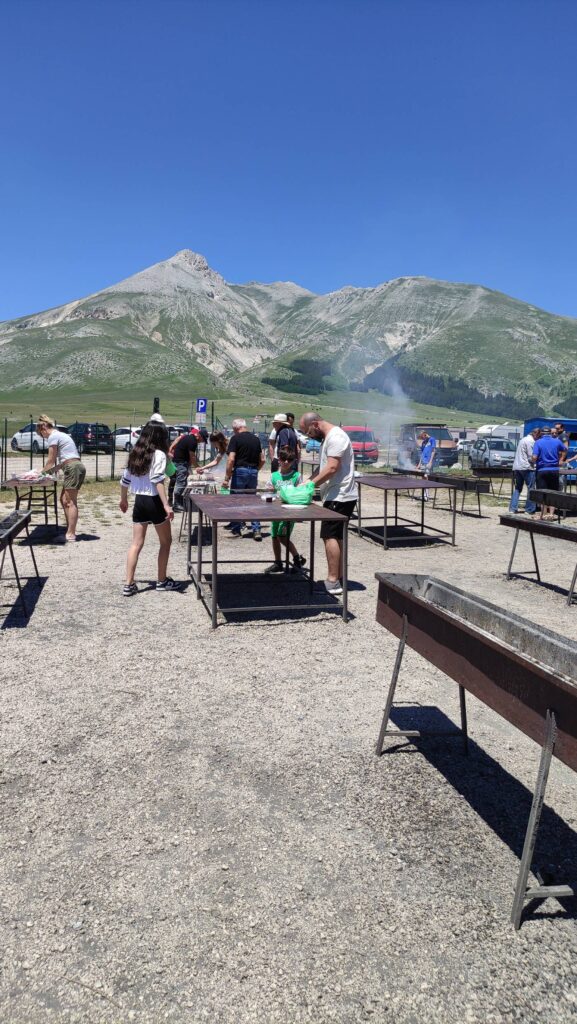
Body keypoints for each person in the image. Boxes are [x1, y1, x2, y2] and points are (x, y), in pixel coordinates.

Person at [299, 411, 358, 595]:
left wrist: (311, 484)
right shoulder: (328, 438)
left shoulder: (336, 437)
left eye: (308, 432)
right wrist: (307, 480)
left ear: (315, 424)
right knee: (336, 536)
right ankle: (338, 578)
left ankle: (333, 581)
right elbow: (324, 466)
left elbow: (332, 468)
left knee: (329, 535)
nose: (310, 437)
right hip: (335, 494)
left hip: (340, 494)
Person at [119, 422, 176, 595]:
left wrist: (123, 500)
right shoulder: (158, 454)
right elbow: (157, 480)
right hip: (154, 501)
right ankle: (162, 580)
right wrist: (166, 505)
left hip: (139, 501)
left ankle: (128, 584)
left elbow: (124, 480)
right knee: (166, 542)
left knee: (136, 543)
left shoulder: (135, 453)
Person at [36, 414, 87, 542]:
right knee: (64, 500)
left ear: (43, 428)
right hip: (72, 466)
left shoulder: (53, 436)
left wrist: (40, 474)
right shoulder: (61, 435)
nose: (44, 438)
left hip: (72, 468)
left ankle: (70, 534)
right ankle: (69, 530)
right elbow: (60, 463)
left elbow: (50, 460)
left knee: (71, 502)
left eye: (42, 435)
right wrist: (49, 471)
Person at [264, 446, 307, 574]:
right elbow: (268, 490)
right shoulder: (274, 476)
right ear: (279, 460)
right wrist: (269, 491)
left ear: (293, 461)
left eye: (289, 459)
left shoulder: (296, 476)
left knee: (282, 536)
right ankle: (278, 562)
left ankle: (297, 558)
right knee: (274, 536)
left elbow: (300, 492)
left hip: (289, 512)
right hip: (276, 511)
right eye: (283, 459)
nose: (286, 462)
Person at [223, 418, 265, 540]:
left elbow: (231, 459)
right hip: (253, 471)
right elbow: (262, 459)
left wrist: (227, 477)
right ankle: (256, 529)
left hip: (240, 471)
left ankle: (236, 530)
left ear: (236, 428)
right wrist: (255, 470)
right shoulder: (256, 439)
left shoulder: (235, 439)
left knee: (236, 500)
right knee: (252, 501)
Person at [531, 426, 567, 520]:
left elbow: (534, 457)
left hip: (542, 470)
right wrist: (561, 459)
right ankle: (551, 514)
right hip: (554, 470)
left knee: (542, 493)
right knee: (553, 492)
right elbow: (565, 449)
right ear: (550, 433)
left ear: (542, 434)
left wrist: (533, 460)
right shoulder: (557, 441)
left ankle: (543, 513)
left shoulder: (538, 442)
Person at [509, 427, 541, 515]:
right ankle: (529, 509)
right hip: (527, 467)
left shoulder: (523, 439)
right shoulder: (531, 442)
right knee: (531, 488)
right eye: (539, 436)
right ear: (536, 434)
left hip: (517, 466)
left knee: (518, 488)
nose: (539, 438)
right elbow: (531, 458)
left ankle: (512, 508)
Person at [171, 427, 199, 512]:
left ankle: (179, 502)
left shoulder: (187, 438)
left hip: (181, 463)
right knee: (180, 483)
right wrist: (197, 467)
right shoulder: (192, 441)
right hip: (180, 463)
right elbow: (192, 456)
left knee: (182, 482)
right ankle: (176, 504)